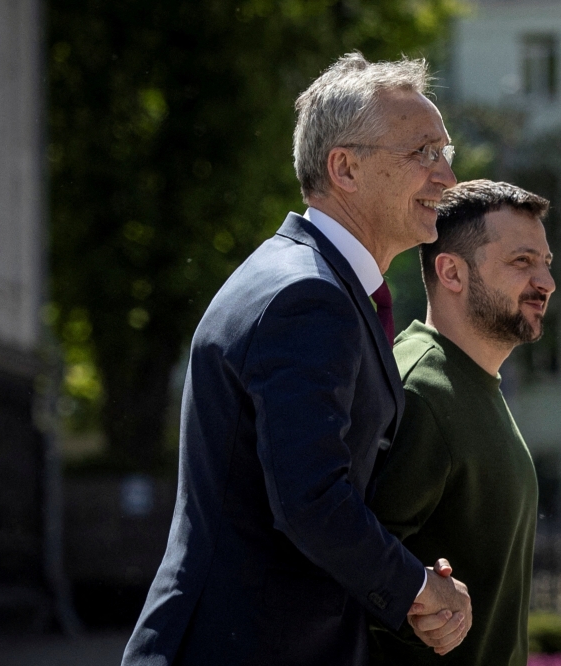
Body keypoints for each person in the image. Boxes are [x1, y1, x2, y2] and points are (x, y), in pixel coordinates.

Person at [122, 53, 471, 666]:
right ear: (345, 168)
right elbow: (311, 501)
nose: (446, 177)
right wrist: (418, 588)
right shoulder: (307, 297)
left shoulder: (309, 281)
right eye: (423, 153)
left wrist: (412, 574)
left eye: (447, 153)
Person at [368, 180, 555, 666]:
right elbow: (349, 573)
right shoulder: (421, 391)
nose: (546, 282)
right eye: (522, 261)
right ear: (451, 271)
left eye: (546, 263)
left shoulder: (472, 382)